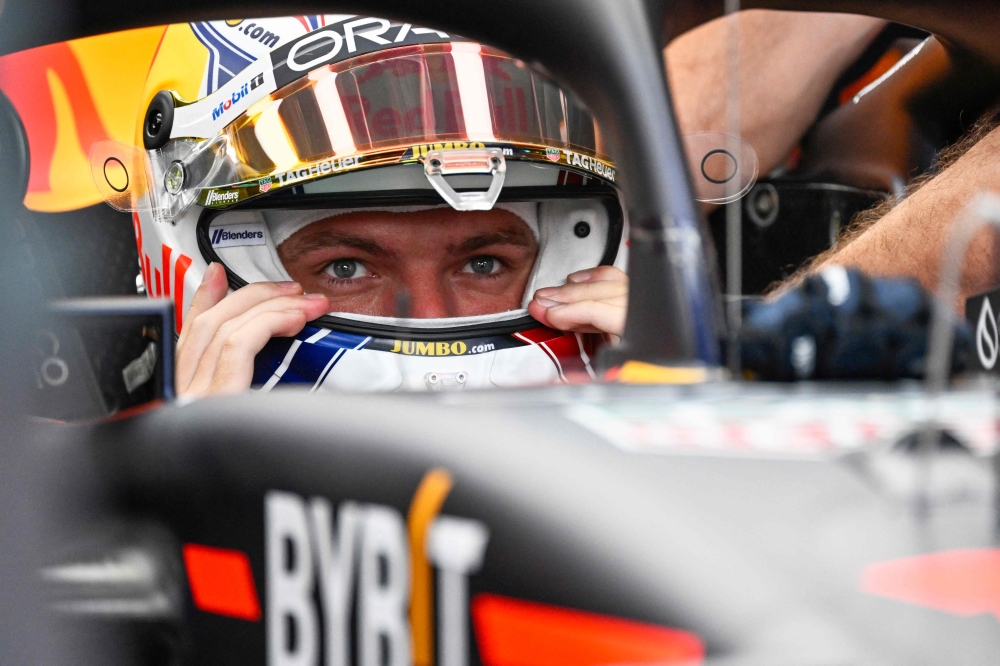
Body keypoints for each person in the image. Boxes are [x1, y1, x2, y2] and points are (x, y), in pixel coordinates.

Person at [109, 19, 631, 397]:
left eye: (483, 264)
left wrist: (671, 407)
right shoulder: (71, 502)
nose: (429, 317)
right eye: (346, 269)